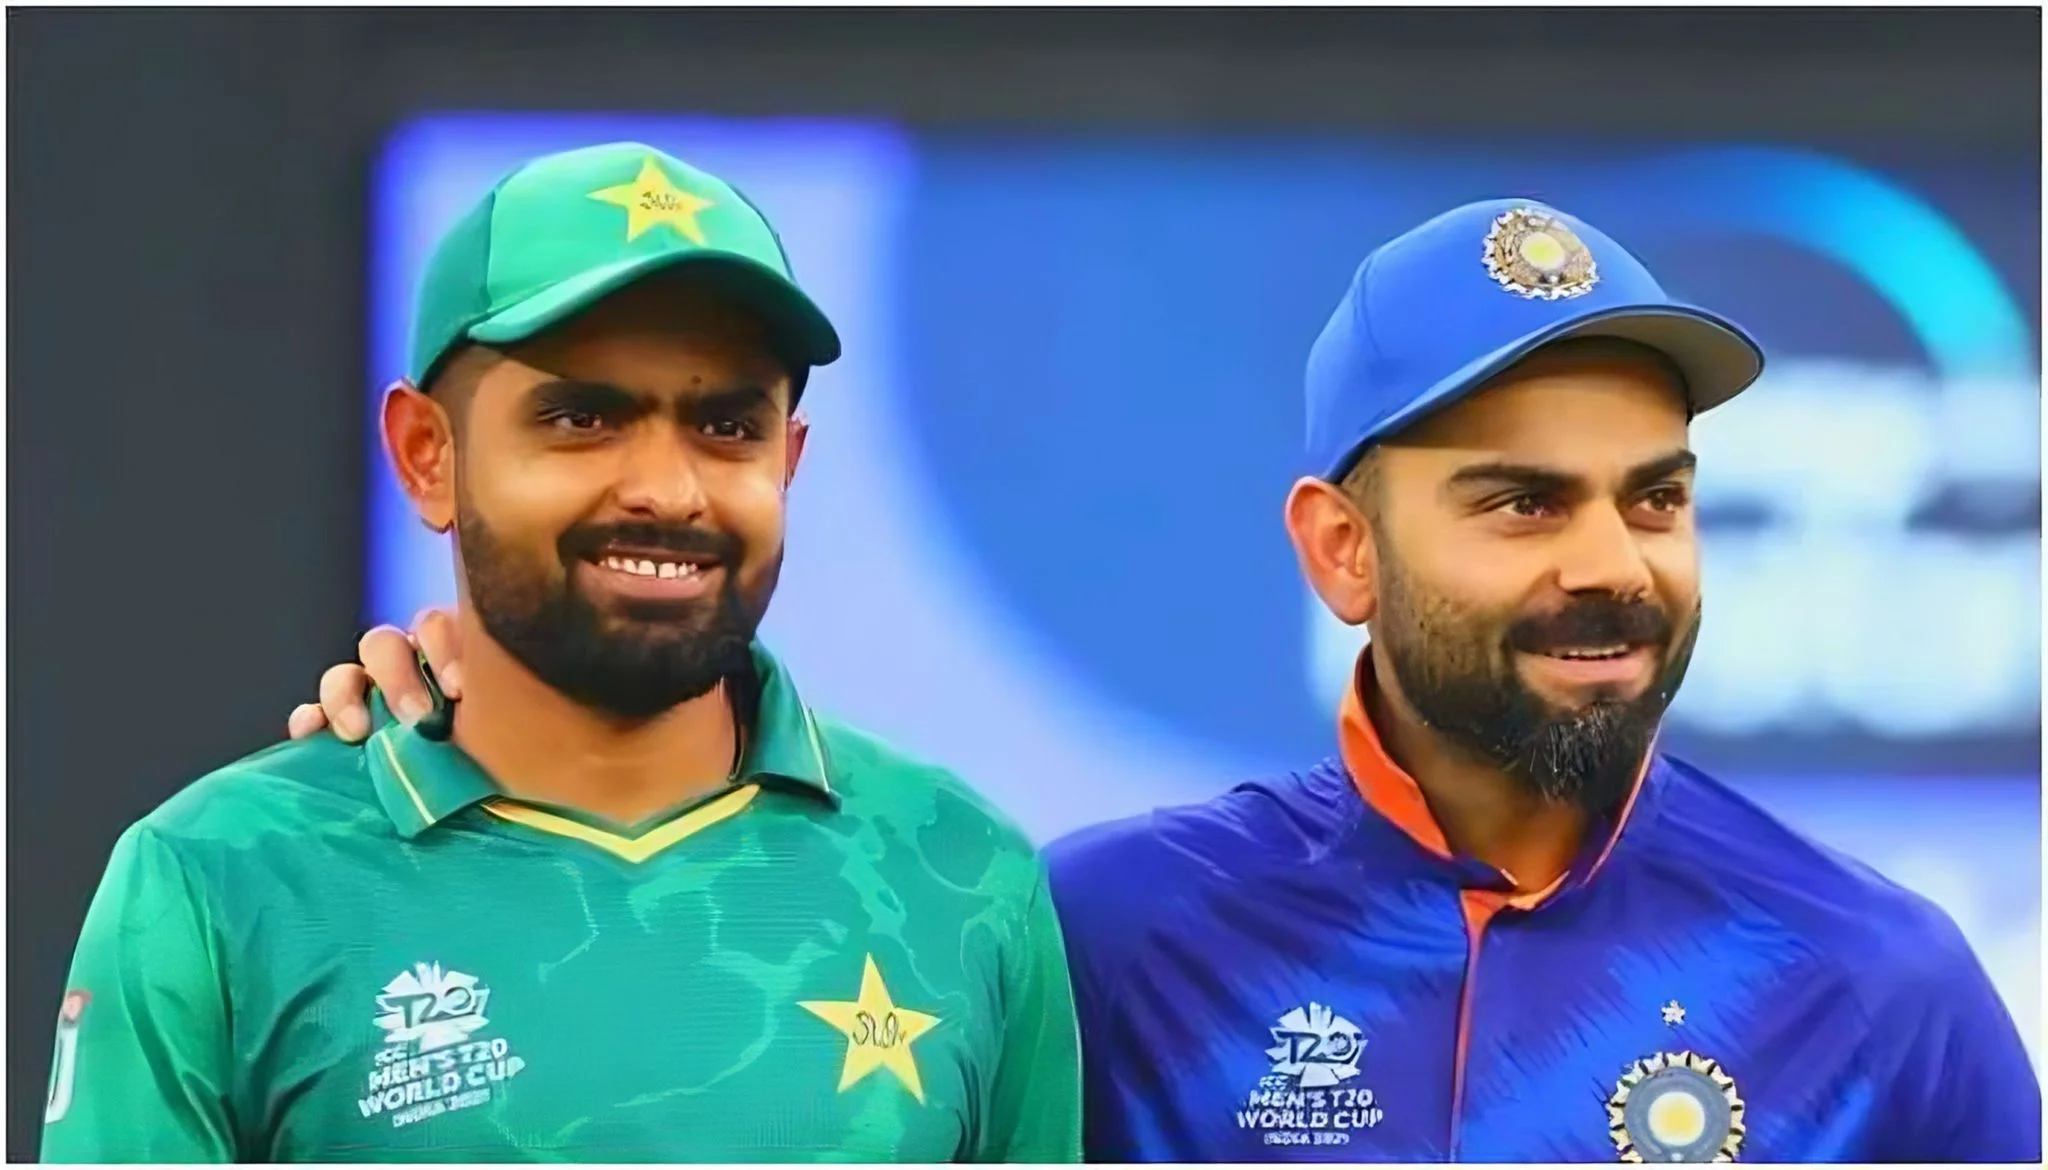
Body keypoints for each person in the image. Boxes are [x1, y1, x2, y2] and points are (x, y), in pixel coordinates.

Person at [281, 200, 2042, 1163]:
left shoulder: (1876, 982)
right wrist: (475, 716)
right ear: (1339, 551)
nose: (1610, 562)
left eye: (1653, 499)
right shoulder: (1104, 932)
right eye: (1519, 502)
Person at [41, 143, 1081, 1164]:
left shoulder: (962, 872)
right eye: (582, 417)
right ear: (427, 456)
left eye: (727, 427)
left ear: (788, 461)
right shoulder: (221, 877)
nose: (666, 491)